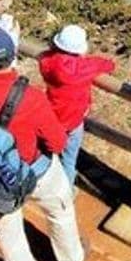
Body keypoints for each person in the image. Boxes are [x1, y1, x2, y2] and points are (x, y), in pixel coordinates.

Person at [0, 28, 84, 261]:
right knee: (60, 212)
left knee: (9, 234)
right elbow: (58, 143)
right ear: (14, 56)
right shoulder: (32, 97)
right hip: (37, 171)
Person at [38, 24, 116, 189]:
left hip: (51, 115)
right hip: (73, 120)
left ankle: (42, 184)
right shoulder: (82, 68)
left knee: (47, 151)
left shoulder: (46, 61)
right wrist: (108, 64)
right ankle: (66, 189)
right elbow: (105, 64)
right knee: (69, 157)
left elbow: (45, 55)